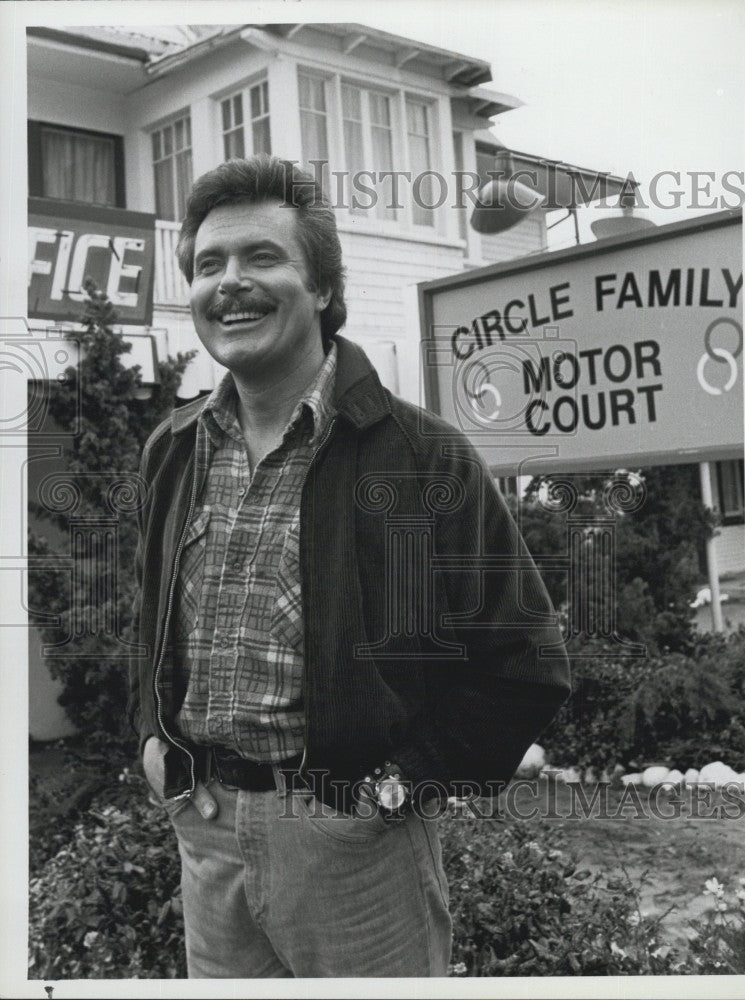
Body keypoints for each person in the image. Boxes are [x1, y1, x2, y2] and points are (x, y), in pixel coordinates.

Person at [129, 154, 570, 979]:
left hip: (354, 849)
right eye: (208, 264)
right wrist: (155, 741)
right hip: (208, 834)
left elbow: (526, 662)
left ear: (324, 291)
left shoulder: (418, 455)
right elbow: (151, 622)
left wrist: (400, 789)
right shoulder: (173, 449)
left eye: (263, 257)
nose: (230, 282)